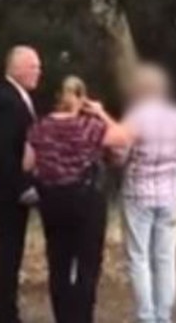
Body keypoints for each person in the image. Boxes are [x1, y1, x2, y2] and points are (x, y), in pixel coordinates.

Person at [25, 76, 132, 323]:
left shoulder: (40, 127)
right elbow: (123, 138)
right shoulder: (89, 127)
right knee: (87, 264)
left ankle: (63, 317)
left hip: (52, 200)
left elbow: (27, 163)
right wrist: (101, 112)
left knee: (58, 262)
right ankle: (83, 317)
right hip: (86, 200)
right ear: (81, 98)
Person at [121, 63, 176, 323]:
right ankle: (164, 316)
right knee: (165, 258)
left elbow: (120, 155)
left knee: (138, 257)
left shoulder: (134, 118)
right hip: (170, 194)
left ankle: (146, 316)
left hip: (139, 194)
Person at [0, 45, 41, 323]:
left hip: (8, 190)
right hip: (6, 193)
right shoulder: (7, 100)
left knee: (11, 253)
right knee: (7, 253)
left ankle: (7, 311)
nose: (38, 72)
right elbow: (1, 149)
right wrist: (21, 186)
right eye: (32, 66)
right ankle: (4, 314)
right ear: (15, 67)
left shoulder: (16, 97)